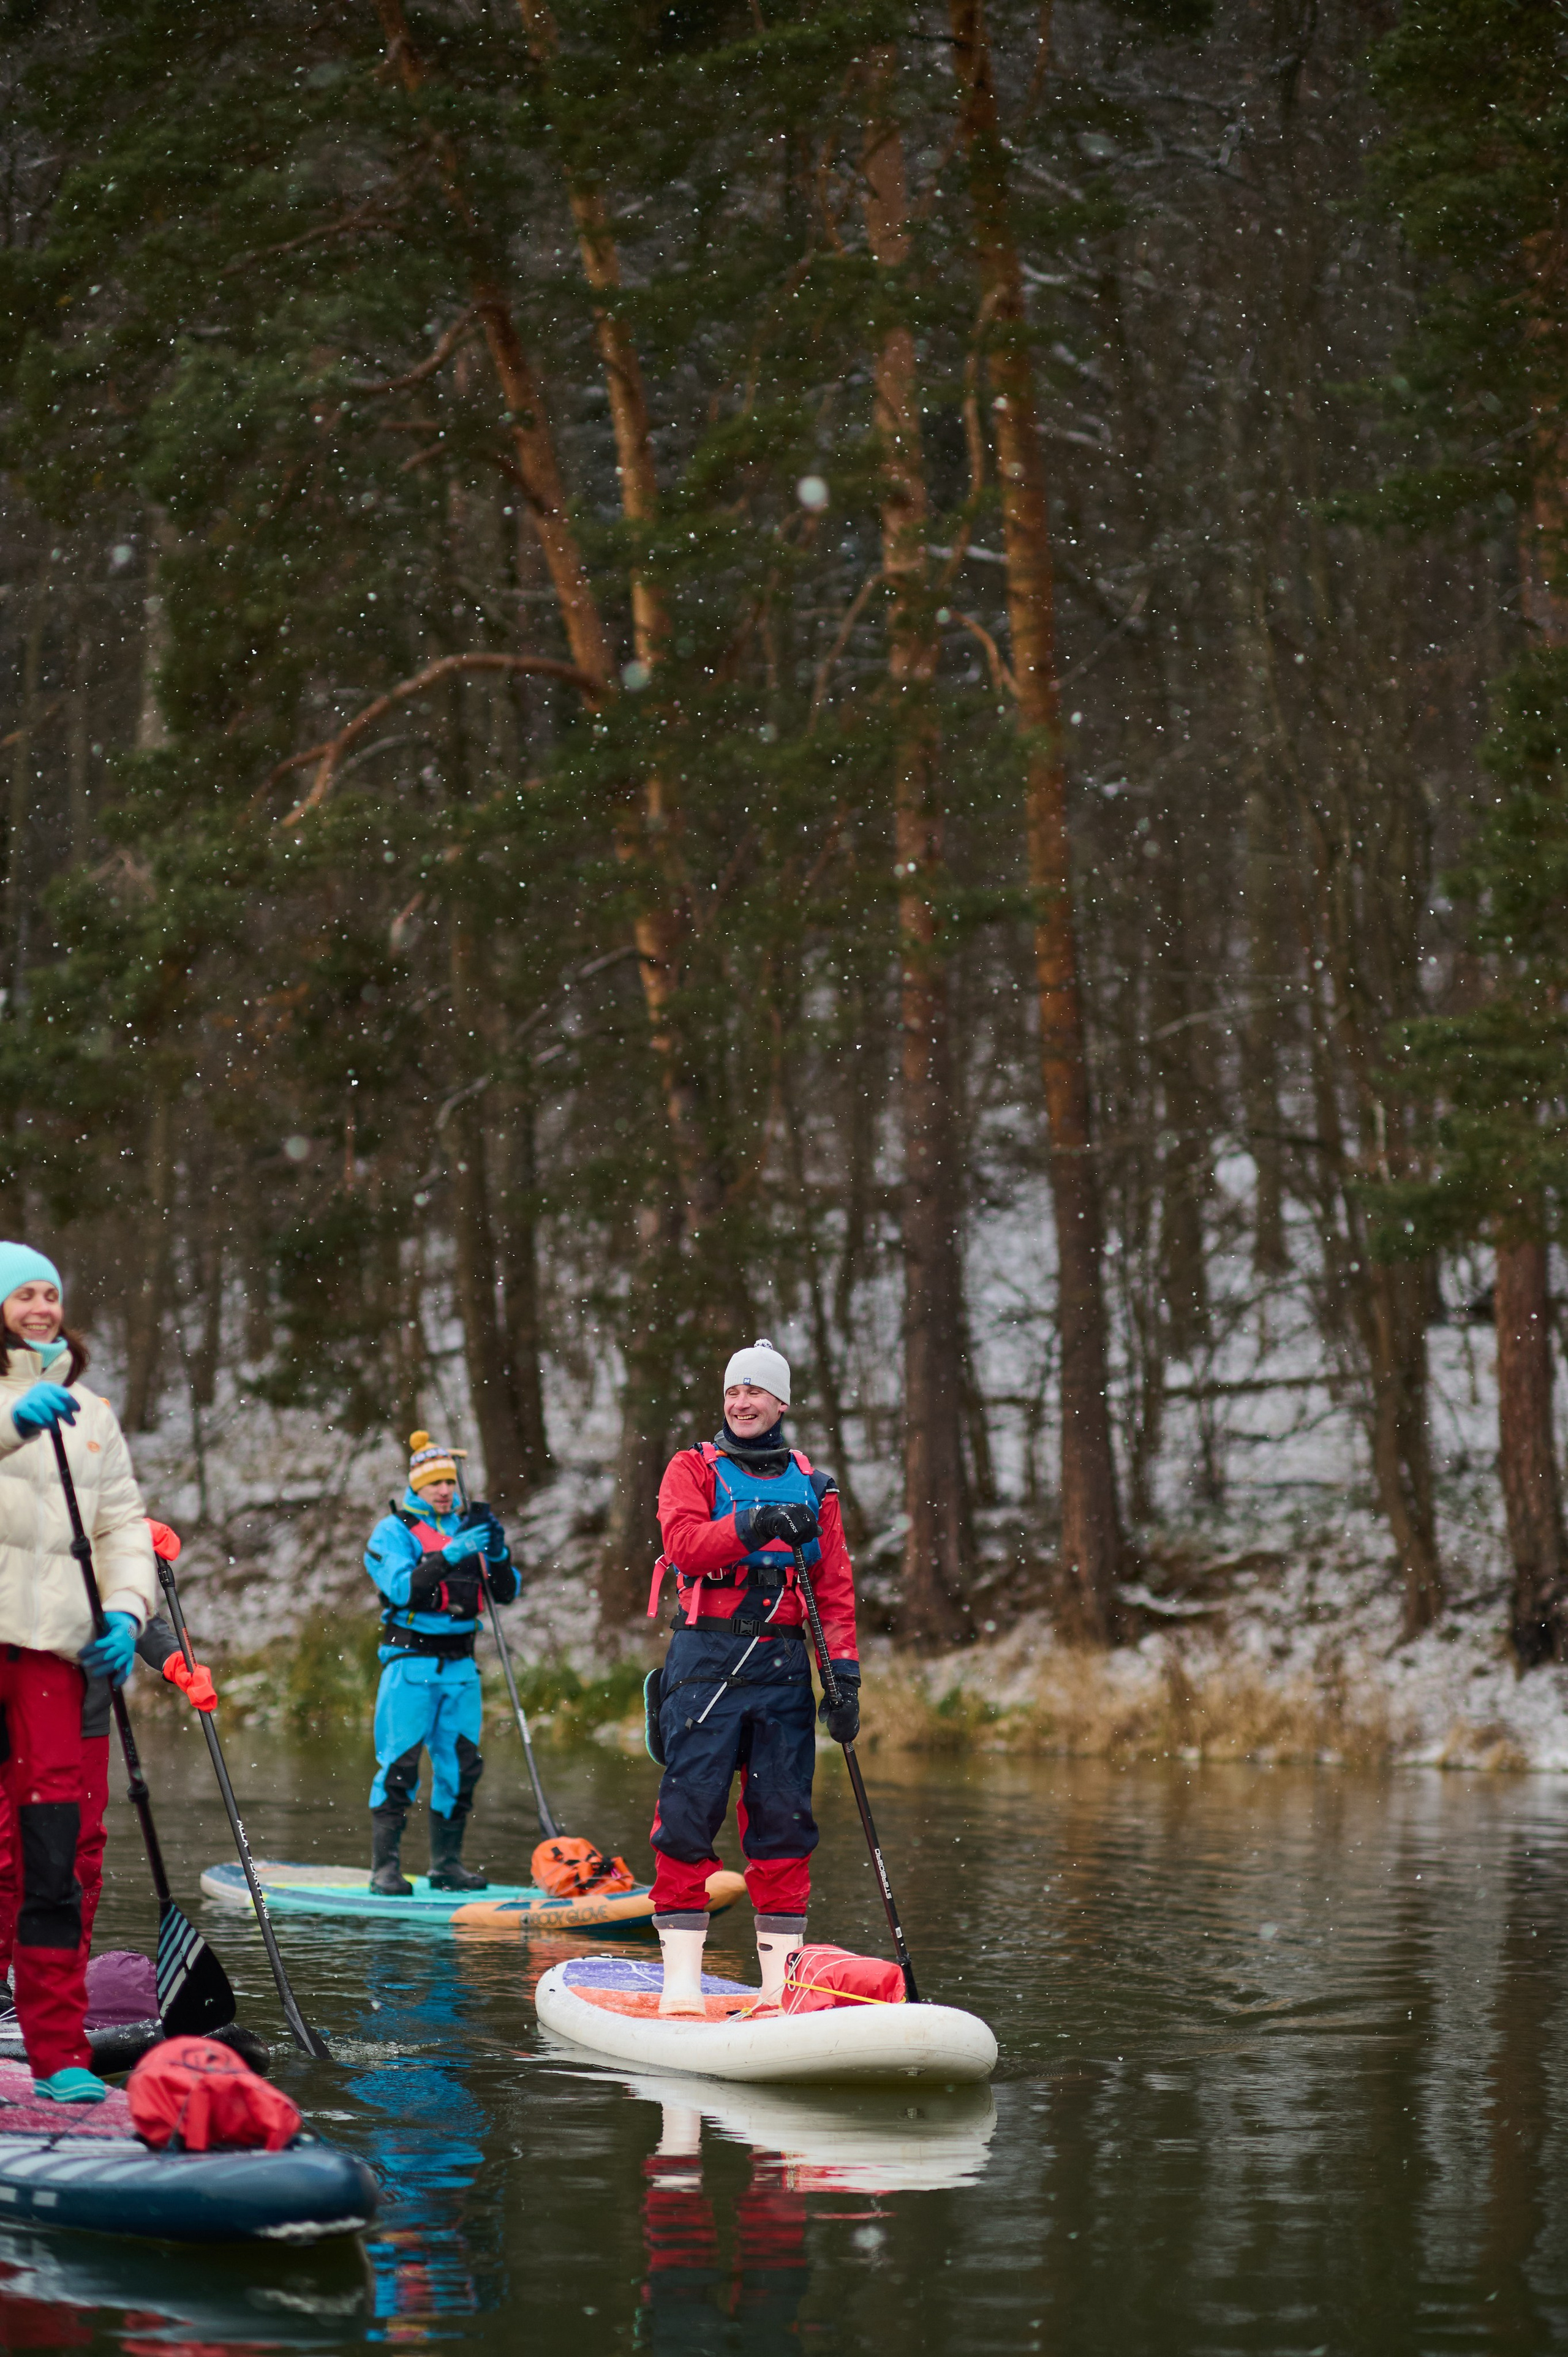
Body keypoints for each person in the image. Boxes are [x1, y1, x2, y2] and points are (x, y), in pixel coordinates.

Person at [646, 1340, 860, 2016]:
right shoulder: (691, 1467)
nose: (741, 1401)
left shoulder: (816, 1485)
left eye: (756, 1391)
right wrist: (756, 1521)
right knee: (688, 1815)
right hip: (704, 1662)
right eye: (733, 1390)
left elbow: (835, 1589)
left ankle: (777, 1985)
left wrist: (845, 1680)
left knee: (783, 1822)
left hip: (784, 1670)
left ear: (781, 1403)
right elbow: (683, 1545)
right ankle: (681, 1980)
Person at [0, 1242, 159, 2100]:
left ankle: (57, 2051)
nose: (39, 1306)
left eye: (49, 1293)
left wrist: (129, 1611)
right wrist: (17, 1421)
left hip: (58, 1654)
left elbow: (124, 1526)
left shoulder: (92, 1415)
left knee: (53, 1857)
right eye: (21, 1293)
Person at [0, 1518, 216, 1995]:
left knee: (81, 1855)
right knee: (9, 1854)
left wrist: (174, 1661)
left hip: (85, 1717)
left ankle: (59, 1975)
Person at [363, 1432, 518, 1895]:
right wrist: (450, 1553)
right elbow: (403, 1589)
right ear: (417, 1485)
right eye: (435, 1483)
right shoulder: (391, 1532)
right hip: (410, 1665)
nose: (445, 1491)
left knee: (462, 1767)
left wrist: (496, 1551)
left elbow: (506, 1592)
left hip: (461, 1669)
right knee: (400, 1767)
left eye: (450, 1482)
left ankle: (446, 1866)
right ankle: (384, 1870)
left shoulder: (470, 1527)